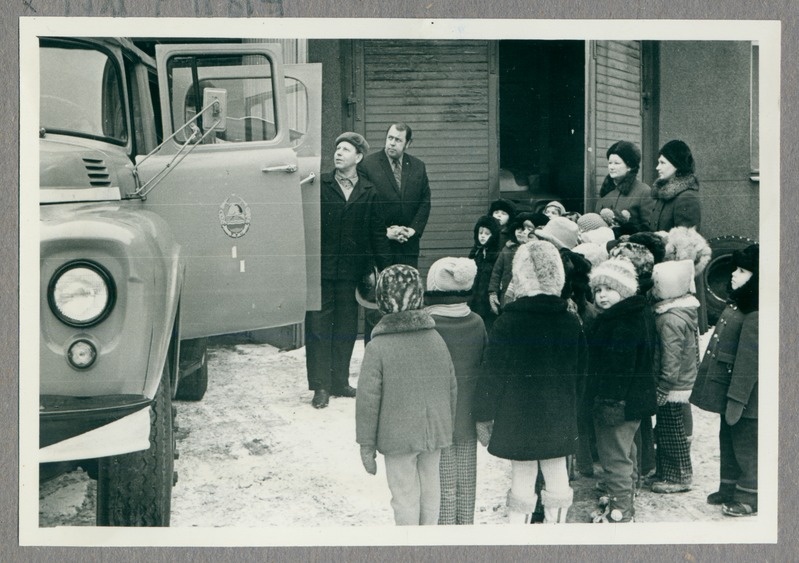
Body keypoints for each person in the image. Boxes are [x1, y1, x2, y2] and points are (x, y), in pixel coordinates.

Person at [474, 240, 586, 524]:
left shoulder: (508, 323)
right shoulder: (570, 322)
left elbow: (492, 373)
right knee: (557, 472)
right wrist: (576, 407)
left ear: (520, 276)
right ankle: (555, 534)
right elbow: (582, 371)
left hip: (517, 416)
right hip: (558, 413)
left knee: (522, 475)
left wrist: (483, 414)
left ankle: (518, 536)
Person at [356, 264, 457, 525]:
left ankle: (408, 547)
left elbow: (368, 400)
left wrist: (367, 445)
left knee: (404, 497)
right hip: (434, 434)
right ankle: (427, 545)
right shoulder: (436, 339)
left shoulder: (378, 347)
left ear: (381, 300)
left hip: (397, 438)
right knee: (431, 492)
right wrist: (446, 427)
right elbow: (451, 387)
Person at [305, 132, 390, 409]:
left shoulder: (369, 190)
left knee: (344, 326)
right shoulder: (320, 184)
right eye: (337, 148)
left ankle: (339, 381)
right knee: (318, 326)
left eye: (345, 149)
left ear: (359, 157)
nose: (338, 153)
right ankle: (320, 386)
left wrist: (382, 268)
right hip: (321, 268)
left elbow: (376, 232)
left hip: (352, 271)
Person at [586, 257, 658, 523]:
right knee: (626, 451)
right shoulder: (630, 315)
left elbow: (618, 368)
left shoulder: (621, 323)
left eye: (609, 289)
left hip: (616, 402)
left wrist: (609, 402)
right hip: (633, 400)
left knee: (614, 455)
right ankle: (626, 493)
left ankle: (620, 511)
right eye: (598, 290)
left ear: (624, 290)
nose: (603, 295)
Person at [690, 243, 759, 517]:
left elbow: (748, 363)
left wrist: (738, 398)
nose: (734, 274)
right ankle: (729, 487)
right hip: (730, 391)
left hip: (745, 396)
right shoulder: (739, 304)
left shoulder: (754, 314)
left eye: (743, 271)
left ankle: (749, 496)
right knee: (728, 439)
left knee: (746, 446)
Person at [424, 257, 488, 525]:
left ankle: (446, 533)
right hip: (468, 414)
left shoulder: (427, 324)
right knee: (467, 481)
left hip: (437, 418)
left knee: (443, 483)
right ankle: (465, 532)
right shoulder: (477, 322)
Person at [648, 259, 701, 494]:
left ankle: (678, 477)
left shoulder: (669, 319)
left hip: (672, 386)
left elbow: (671, 358)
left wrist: (663, 387)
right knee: (668, 430)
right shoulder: (682, 312)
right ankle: (666, 472)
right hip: (679, 383)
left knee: (671, 434)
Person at [359, 122, 431, 269]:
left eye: (398, 140)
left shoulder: (418, 166)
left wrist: (412, 230)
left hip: (408, 245)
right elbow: (363, 205)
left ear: (408, 144)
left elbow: (425, 201)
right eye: (390, 138)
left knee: (407, 289)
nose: (392, 143)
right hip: (379, 244)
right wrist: (385, 232)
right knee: (382, 290)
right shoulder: (367, 165)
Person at [595, 140, 653, 233]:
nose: (611, 167)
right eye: (610, 163)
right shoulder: (605, 192)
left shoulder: (644, 191)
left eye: (616, 163)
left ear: (629, 166)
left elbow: (649, 228)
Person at [651, 140, 701, 232]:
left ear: (676, 164)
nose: (657, 167)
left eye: (662, 163)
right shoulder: (663, 194)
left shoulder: (686, 197)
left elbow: (686, 241)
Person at [487, 215, 533, 314]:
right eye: (517, 229)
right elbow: (496, 272)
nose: (520, 233)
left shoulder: (531, 250)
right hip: (507, 294)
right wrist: (493, 293)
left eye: (523, 230)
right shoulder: (507, 249)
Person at [468, 215, 502, 332]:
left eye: (487, 234)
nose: (482, 236)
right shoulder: (476, 252)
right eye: (480, 233)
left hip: (487, 298)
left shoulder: (496, 254)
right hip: (474, 296)